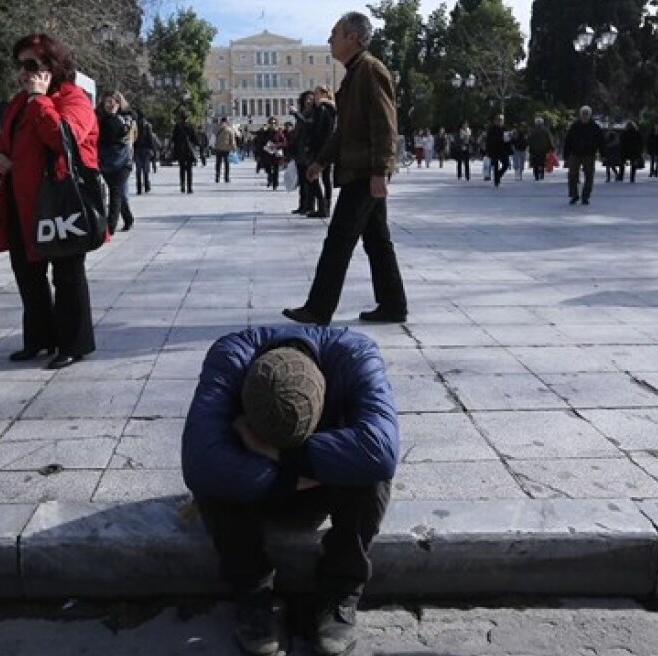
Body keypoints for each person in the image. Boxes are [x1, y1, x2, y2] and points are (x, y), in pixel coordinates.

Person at [182, 325, 397, 656]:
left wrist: (277, 453)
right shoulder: (229, 357)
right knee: (214, 479)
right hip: (264, 481)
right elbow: (199, 460)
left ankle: (340, 592)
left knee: (372, 475)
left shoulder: (356, 355)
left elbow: (381, 451)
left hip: (311, 475)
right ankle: (251, 592)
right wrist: (289, 475)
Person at [0, 33, 99, 369]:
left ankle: (74, 343)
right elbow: (4, 140)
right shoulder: (19, 101)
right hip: (21, 200)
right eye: (21, 65)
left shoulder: (73, 98)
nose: (24, 73)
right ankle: (40, 339)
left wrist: (40, 100)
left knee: (67, 274)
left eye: (32, 64)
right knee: (28, 273)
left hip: (60, 200)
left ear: (52, 66)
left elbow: (64, 139)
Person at [283, 12, 408, 326]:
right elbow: (343, 132)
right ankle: (393, 304)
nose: (330, 40)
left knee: (338, 240)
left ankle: (318, 308)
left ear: (352, 37)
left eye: (335, 33)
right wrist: (320, 162)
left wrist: (381, 171)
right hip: (358, 169)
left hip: (365, 172)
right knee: (377, 240)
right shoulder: (354, 74)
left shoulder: (371, 71)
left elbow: (385, 125)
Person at [98, 90, 136, 232]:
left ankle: (110, 227)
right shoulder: (100, 118)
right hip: (107, 161)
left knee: (115, 192)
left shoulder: (126, 119)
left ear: (119, 103)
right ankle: (128, 218)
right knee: (118, 192)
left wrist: (113, 116)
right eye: (107, 101)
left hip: (123, 160)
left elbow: (118, 133)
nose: (110, 104)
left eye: (113, 101)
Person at [563, 105, 604, 205]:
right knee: (572, 175)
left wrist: (603, 154)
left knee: (589, 176)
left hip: (589, 154)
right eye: (583, 114)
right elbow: (568, 141)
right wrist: (566, 155)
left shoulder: (595, 127)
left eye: (587, 114)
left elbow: (601, 142)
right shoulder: (575, 126)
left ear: (590, 115)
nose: (585, 116)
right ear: (580, 115)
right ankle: (574, 195)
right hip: (575, 154)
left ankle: (585, 196)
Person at [307, 85, 337, 218]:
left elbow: (316, 129)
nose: (314, 96)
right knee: (325, 178)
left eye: (316, 93)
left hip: (320, 147)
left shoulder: (322, 109)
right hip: (328, 146)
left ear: (323, 94)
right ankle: (325, 207)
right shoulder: (330, 108)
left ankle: (322, 206)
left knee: (314, 176)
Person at [171, 111, 199, 194]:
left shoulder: (177, 126)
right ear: (188, 118)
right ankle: (189, 187)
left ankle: (182, 186)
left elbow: (173, 138)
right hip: (189, 150)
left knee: (182, 169)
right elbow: (195, 139)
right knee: (189, 169)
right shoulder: (191, 126)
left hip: (180, 150)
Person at [483, 114, 510, 186]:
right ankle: (496, 181)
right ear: (495, 121)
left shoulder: (505, 129)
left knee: (506, 165)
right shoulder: (491, 129)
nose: (500, 122)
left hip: (503, 150)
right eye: (498, 120)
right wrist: (487, 151)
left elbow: (507, 140)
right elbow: (488, 141)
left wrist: (509, 143)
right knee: (495, 165)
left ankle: (498, 175)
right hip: (494, 150)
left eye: (501, 120)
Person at [133, 110, 155, 194]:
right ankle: (146, 186)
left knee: (138, 169)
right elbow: (150, 138)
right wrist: (152, 149)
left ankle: (139, 188)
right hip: (146, 149)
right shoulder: (148, 125)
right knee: (146, 169)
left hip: (137, 149)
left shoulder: (135, 125)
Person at [528, 117, 554, 181]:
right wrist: (551, 147)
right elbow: (549, 139)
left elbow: (530, 140)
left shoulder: (533, 131)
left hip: (535, 150)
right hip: (544, 149)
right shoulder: (545, 131)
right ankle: (541, 173)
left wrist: (530, 148)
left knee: (535, 162)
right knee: (542, 162)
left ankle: (536, 174)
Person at [214, 116, 236, 183]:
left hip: (218, 148)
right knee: (226, 164)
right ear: (226, 121)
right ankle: (226, 178)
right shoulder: (229, 129)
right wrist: (234, 148)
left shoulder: (217, 128)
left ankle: (217, 177)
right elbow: (232, 140)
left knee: (218, 163)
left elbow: (214, 136)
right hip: (226, 149)